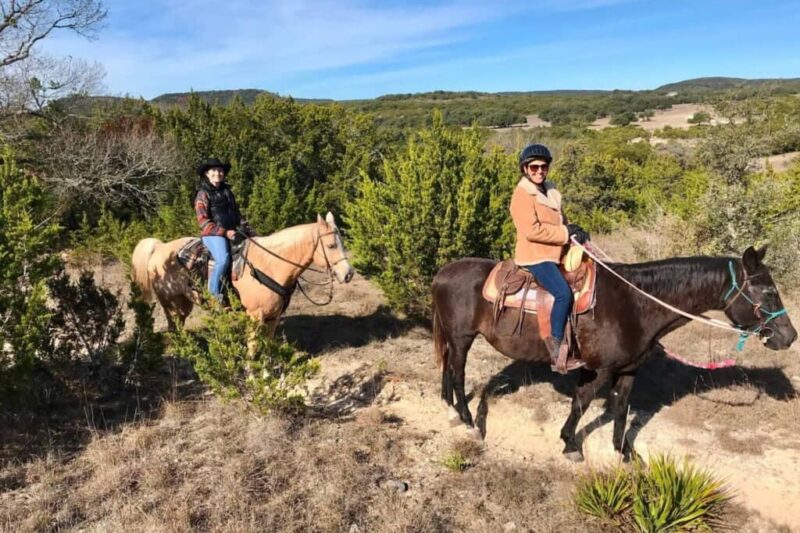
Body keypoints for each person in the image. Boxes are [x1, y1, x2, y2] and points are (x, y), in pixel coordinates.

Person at [509, 143, 590, 373]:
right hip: (535, 255)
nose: (539, 171)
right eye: (534, 167)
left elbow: (559, 221)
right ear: (525, 168)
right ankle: (555, 349)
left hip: (556, 251)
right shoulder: (522, 195)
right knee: (563, 293)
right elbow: (532, 230)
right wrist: (566, 234)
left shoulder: (550, 191)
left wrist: (573, 229)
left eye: (543, 167)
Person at [194, 158, 252, 303]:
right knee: (223, 259)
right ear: (207, 174)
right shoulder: (203, 194)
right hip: (212, 234)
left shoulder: (227, 192)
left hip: (233, 231)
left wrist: (248, 229)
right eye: (214, 170)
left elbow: (237, 213)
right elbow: (202, 221)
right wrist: (224, 232)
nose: (218, 173)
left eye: (220, 170)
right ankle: (213, 294)